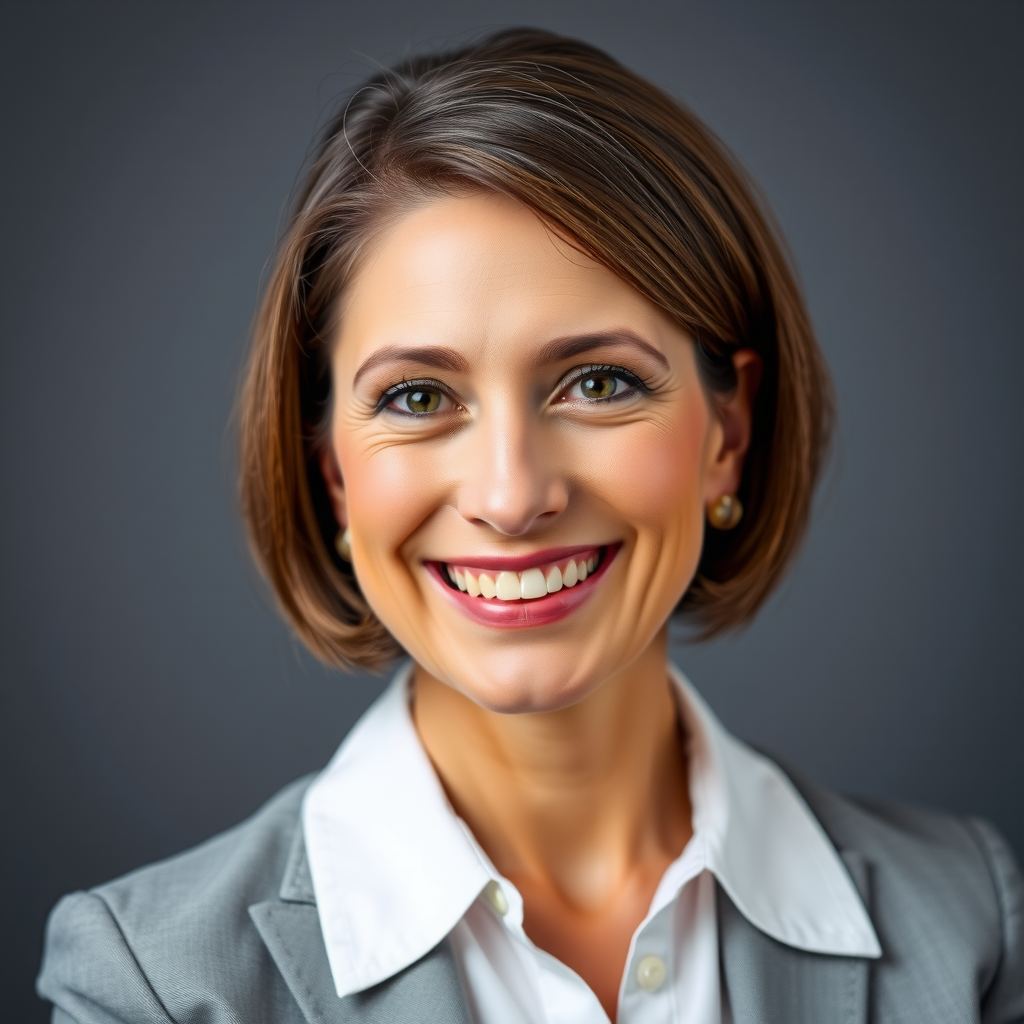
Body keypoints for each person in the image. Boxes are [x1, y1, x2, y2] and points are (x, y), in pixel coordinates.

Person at [37, 28, 1022, 1024]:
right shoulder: (148, 987)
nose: (511, 496)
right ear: (332, 468)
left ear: (728, 432)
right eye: (418, 397)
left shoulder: (970, 922)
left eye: (597, 383)